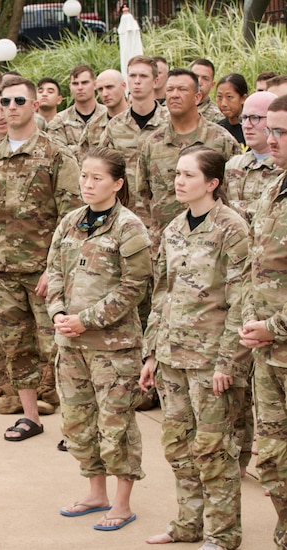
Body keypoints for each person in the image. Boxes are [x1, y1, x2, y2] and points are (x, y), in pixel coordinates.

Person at [141, 145, 250, 549]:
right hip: (172, 358)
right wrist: (151, 353)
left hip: (211, 361)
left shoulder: (231, 228)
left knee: (214, 450)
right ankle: (188, 524)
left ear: (213, 183)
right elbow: (162, 294)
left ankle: (222, 534)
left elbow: (243, 299)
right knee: (177, 445)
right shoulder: (173, 228)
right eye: (177, 174)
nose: (179, 182)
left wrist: (228, 362)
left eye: (188, 175)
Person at [0, 76, 81, 441]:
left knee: (60, 347)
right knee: (16, 347)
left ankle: (75, 427)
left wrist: (55, 269)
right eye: (5, 102)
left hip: (43, 272)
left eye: (19, 101)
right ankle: (30, 417)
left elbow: (72, 219)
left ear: (35, 106)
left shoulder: (57, 154)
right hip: (1, 271)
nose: (11, 107)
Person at [48, 147, 150, 531]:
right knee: (78, 422)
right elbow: (54, 271)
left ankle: (121, 503)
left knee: (116, 425)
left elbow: (134, 288)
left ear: (117, 184)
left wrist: (85, 320)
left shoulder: (129, 227)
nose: (87, 184)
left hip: (113, 348)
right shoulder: (71, 221)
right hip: (71, 345)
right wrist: (58, 314)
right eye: (85, 177)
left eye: (97, 178)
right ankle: (96, 492)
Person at [239, 94, 287, 549]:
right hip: (268, 353)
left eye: (283, 132)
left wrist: (276, 326)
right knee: (271, 457)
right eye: (270, 130)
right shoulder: (274, 187)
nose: (272, 140)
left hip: (280, 339)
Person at [136, 68, 240, 255]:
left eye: (182, 89)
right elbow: (143, 193)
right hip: (164, 245)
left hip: (211, 246)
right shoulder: (152, 142)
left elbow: (233, 192)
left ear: (197, 97)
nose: (174, 95)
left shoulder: (220, 139)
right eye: (170, 90)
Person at [100, 55, 168, 228]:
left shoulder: (170, 124)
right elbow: (103, 170)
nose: (137, 81)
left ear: (155, 81)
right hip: (124, 218)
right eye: (132, 76)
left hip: (162, 218)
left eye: (143, 76)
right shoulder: (114, 126)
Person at [225, 90, 280, 222]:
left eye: (255, 118)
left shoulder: (282, 167)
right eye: (244, 118)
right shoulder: (233, 164)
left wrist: (230, 210)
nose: (247, 125)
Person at [47, 64, 106, 156]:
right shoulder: (60, 120)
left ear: (95, 85)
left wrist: (72, 149)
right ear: (70, 87)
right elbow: (56, 152)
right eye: (75, 84)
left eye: (85, 83)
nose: (80, 88)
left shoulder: (107, 115)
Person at [78, 69, 129, 159]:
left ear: (123, 86)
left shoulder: (137, 120)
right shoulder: (92, 127)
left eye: (110, 87)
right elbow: (83, 161)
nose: (105, 94)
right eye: (100, 89)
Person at [216, 73, 249, 145]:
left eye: (229, 97)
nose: (223, 104)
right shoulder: (217, 129)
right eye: (219, 97)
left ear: (243, 98)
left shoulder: (250, 129)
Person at [190, 58, 224, 123]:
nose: (199, 82)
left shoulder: (218, 117)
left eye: (205, 78)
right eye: (195, 77)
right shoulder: (173, 107)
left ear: (212, 85)